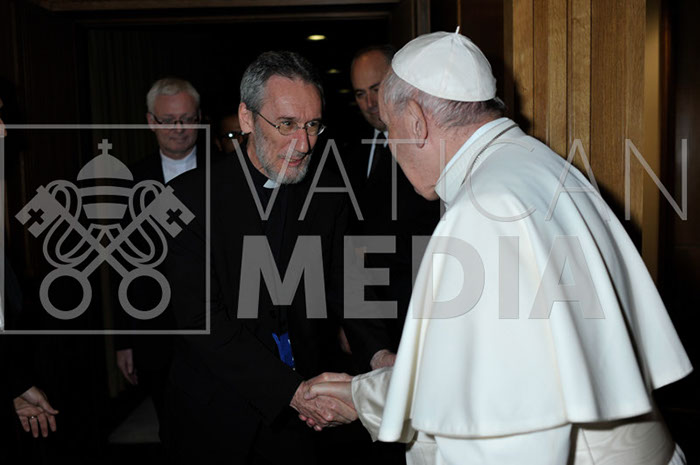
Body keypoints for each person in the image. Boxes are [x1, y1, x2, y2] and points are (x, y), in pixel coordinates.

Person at [306, 30, 693, 464]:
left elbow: (499, 421)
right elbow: (491, 371)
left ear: (415, 120)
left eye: (392, 130)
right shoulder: (536, 163)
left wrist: (364, 395)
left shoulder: (484, 209)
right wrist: (362, 394)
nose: (392, 147)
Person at [161, 51, 393, 464]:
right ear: (247, 118)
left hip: (303, 417)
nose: (303, 144)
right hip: (215, 412)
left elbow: (350, 283)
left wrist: (380, 356)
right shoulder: (188, 199)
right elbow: (201, 320)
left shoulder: (329, 194)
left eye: (313, 125)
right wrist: (290, 391)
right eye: (286, 124)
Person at [114, 77, 203, 435]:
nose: (179, 129)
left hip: (221, 326)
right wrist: (124, 339)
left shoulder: (228, 171)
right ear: (151, 121)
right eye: (168, 120)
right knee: (172, 429)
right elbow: (123, 264)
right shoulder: (130, 180)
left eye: (187, 118)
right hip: (156, 332)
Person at [347, 45, 439, 350]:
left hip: (420, 311)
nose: (370, 103)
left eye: (376, 89)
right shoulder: (348, 149)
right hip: (369, 320)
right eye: (360, 94)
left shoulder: (428, 142)